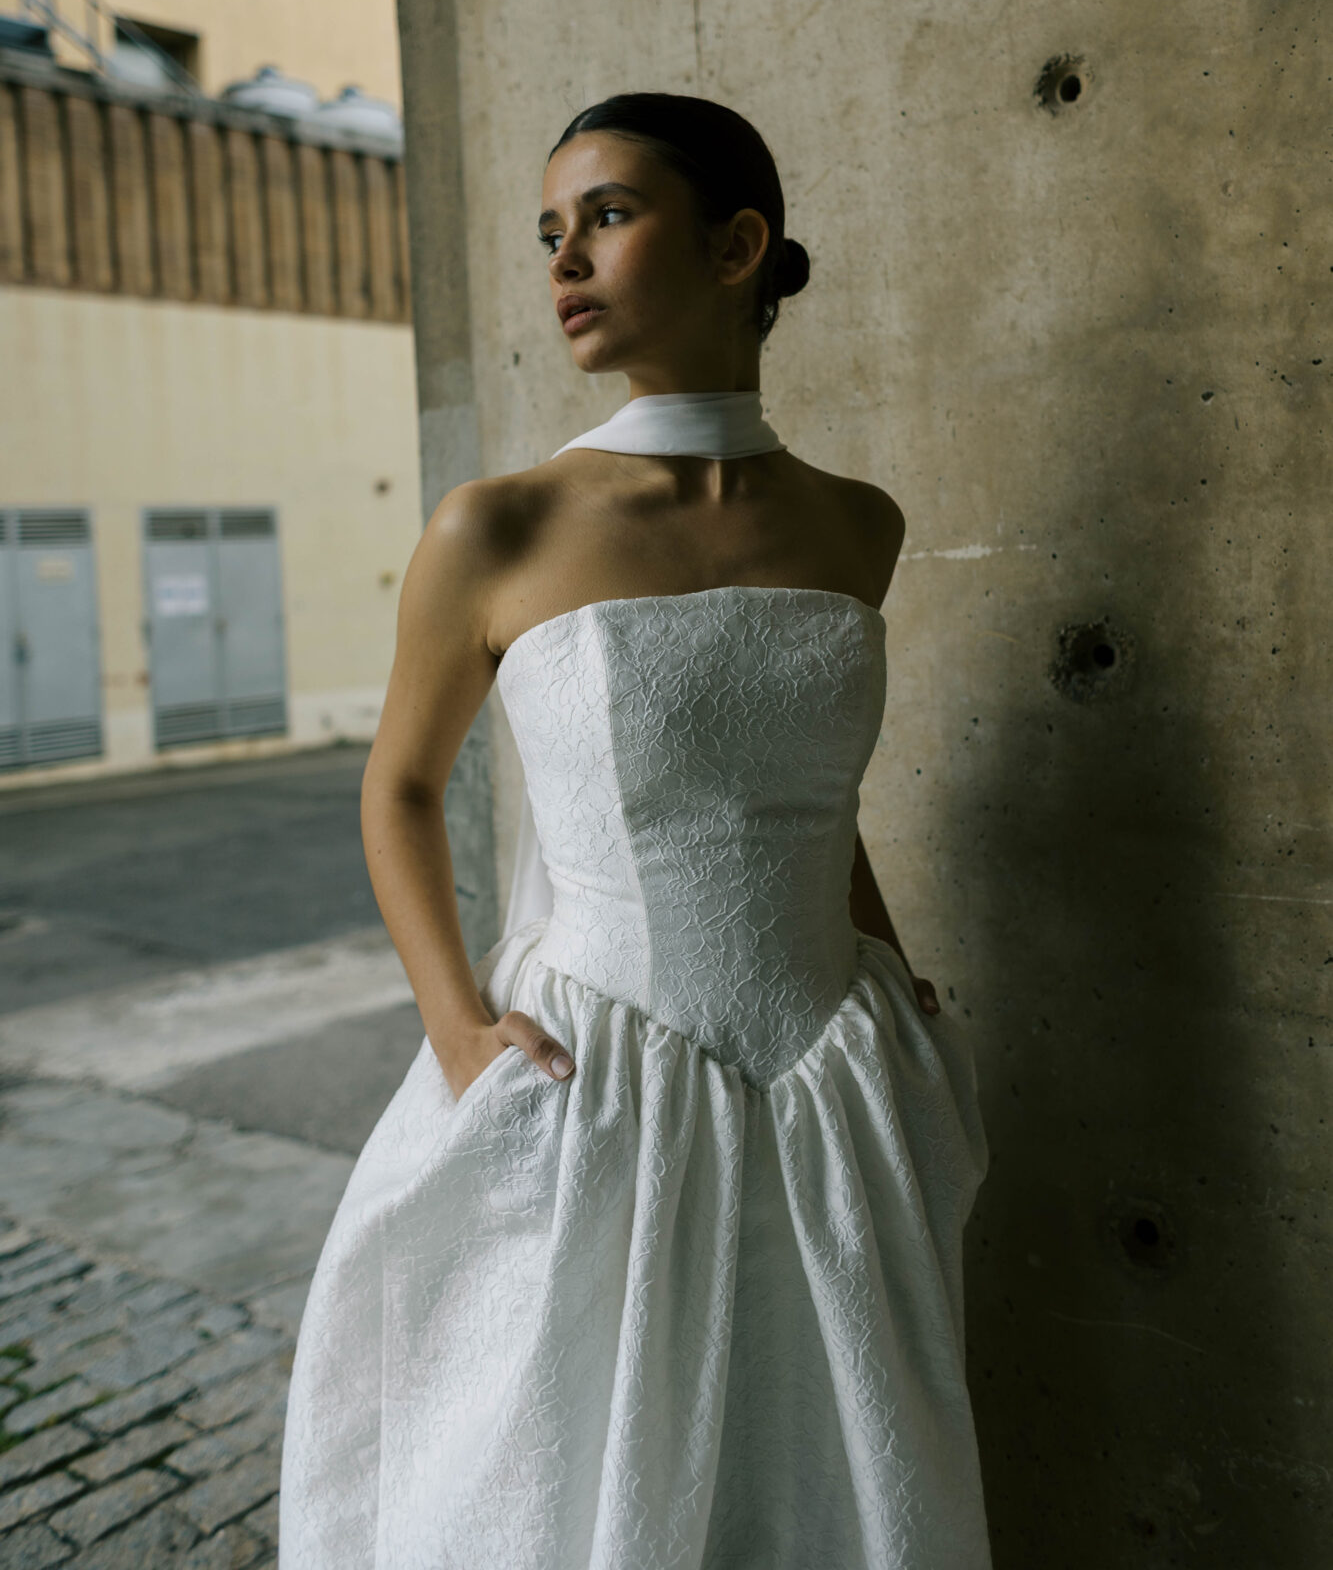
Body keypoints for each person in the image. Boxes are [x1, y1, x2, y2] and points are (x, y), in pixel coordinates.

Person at [278, 92, 992, 1568]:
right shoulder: (497, 529)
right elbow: (399, 788)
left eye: (606, 216)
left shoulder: (859, 525)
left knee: (830, 1480)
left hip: (829, 1079)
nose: (564, 261)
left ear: (737, 246)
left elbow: (808, 796)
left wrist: (898, 984)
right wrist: (461, 1037)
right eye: (551, 231)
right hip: (604, 1081)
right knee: (581, 1485)